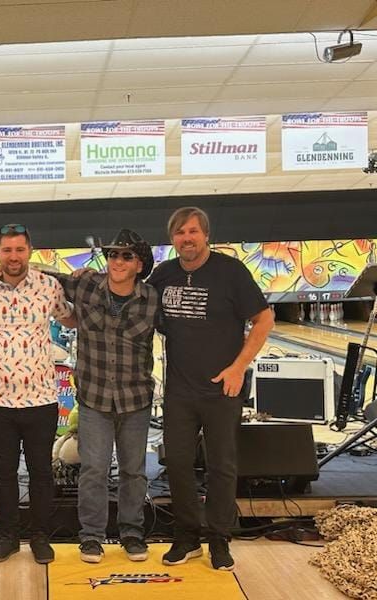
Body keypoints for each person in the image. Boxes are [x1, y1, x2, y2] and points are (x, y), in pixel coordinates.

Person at [147, 207, 273, 571]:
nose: (186, 238)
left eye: (193, 231)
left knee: (221, 466)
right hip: (179, 391)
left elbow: (264, 318)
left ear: (205, 235)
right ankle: (187, 536)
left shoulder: (230, 272)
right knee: (178, 463)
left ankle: (218, 538)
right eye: (179, 233)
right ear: (172, 239)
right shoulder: (164, 274)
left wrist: (238, 367)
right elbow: (132, 300)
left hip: (222, 389)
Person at [0, 224, 75, 564]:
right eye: (6, 250)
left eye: (19, 250)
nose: (13, 256)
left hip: (41, 398)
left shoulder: (49, 287)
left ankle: (40, 537)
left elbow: (70, 319)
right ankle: (9, 536)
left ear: (29, 250)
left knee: (41, 471)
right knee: (4, 472)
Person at [54, 229, 159, 564]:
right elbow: (45, 279)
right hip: (94, 397)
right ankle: (92, 537)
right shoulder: (86, 285)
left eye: (126, 256)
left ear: (139, 263)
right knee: (94, 470)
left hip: (135, 399)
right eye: (113, 254)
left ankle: (131, 533)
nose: (118, 260)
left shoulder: (151, 298)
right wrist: (6, 269)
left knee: (133, 471)